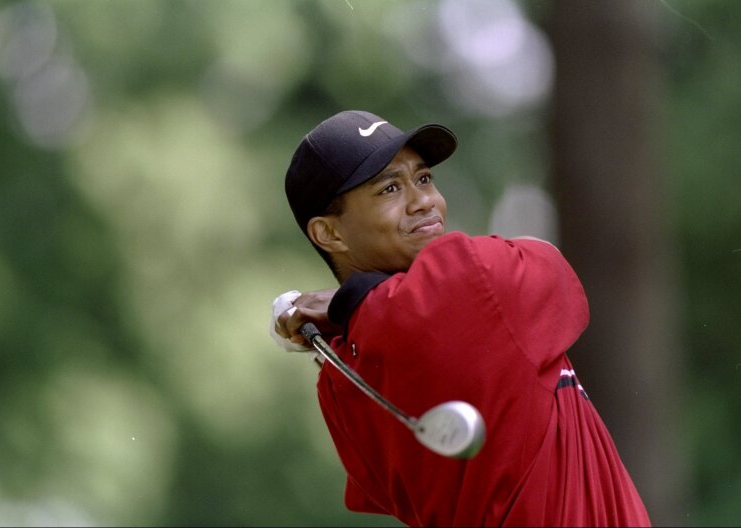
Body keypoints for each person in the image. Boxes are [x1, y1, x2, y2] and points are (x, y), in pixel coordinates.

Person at [271, 110, 651, 527]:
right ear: (330, 234)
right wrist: (354, 301)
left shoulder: (340, 378)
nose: (424, 201)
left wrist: (350, 307)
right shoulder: (467, 284)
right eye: (390, 188)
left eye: (423, 178)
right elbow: (552, 266)